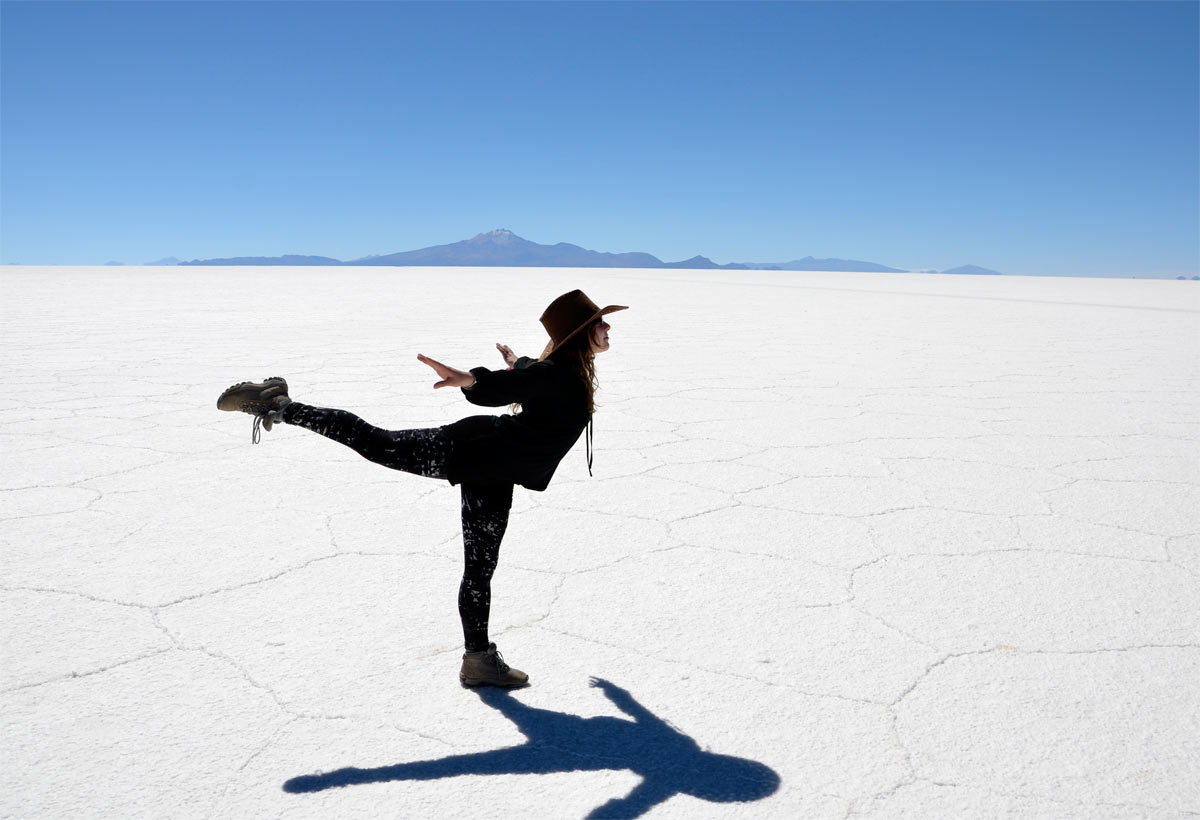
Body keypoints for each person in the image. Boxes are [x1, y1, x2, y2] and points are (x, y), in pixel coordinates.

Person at [216, 290, 626, 688]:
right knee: (378, 443)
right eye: (599, 323)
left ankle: (478, 660)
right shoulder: (557, 374)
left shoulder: (561, 371)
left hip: (496, 473)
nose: (608, 328)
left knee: (481, 570)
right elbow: (508, 387)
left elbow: (527, 377)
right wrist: (470, 380)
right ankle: (277, 405)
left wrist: (515, 361)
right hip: (474, 450)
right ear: (579, 334)